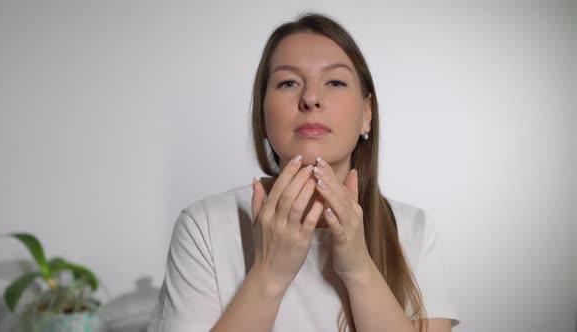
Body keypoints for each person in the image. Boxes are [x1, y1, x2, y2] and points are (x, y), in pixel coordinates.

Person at [147, 12, 459, 332]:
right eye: (289, 82)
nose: (311, 98)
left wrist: (360, 270)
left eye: (335, 82)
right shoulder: (204, 225)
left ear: (367, 114)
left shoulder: (413, 229)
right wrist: (269, 275)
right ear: (263, 114)